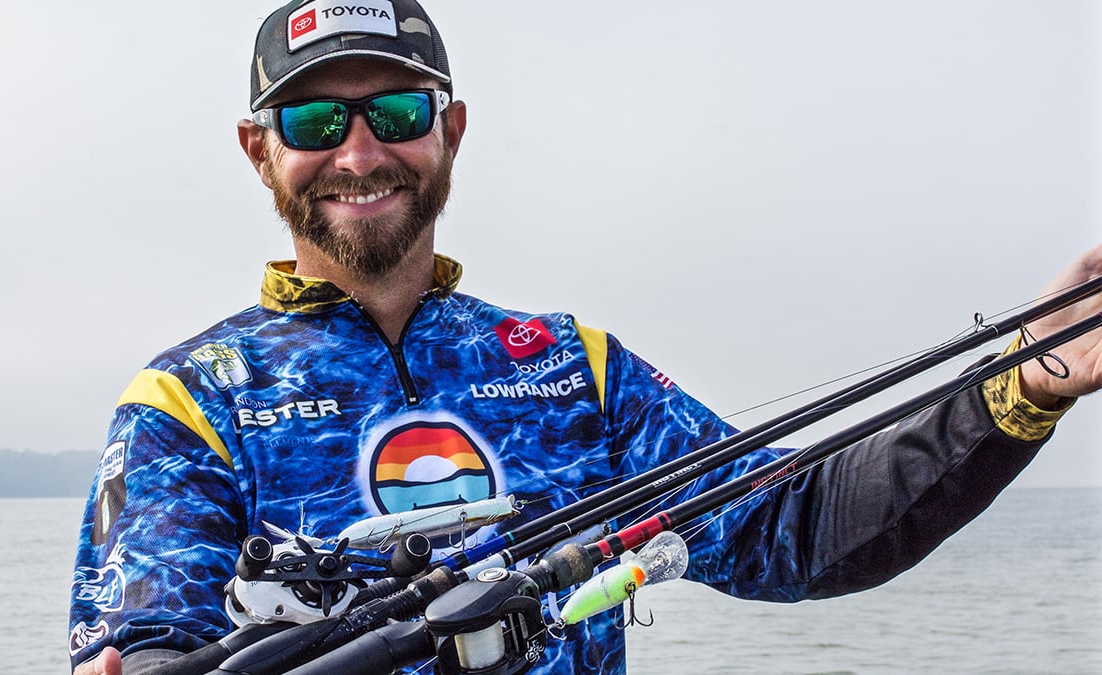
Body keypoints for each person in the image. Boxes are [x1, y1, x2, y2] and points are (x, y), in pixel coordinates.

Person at [69, 1, 1102, 673]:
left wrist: (1026, 381)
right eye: (312, 125)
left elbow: (803, 524)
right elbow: (155, 644)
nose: (360, 150)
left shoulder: (572, 367)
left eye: (393, 110)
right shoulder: (187, 402)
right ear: (259, 152)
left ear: (450, 131)